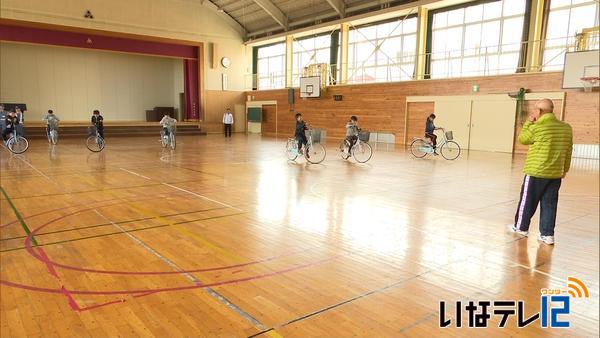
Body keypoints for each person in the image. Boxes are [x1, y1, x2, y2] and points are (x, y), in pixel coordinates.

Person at [508, 99, 573, 245]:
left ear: (539, 111)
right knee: (550, 204)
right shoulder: (566, 128)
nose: (533, 112)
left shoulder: (538, 127)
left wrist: (528, 123)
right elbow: (569, 150)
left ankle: (521, 227)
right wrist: (565, 169)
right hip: (555, 174)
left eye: (534, 110)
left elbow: (523, 139)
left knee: (527, 201)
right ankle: (547, 234)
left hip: (536, 172)